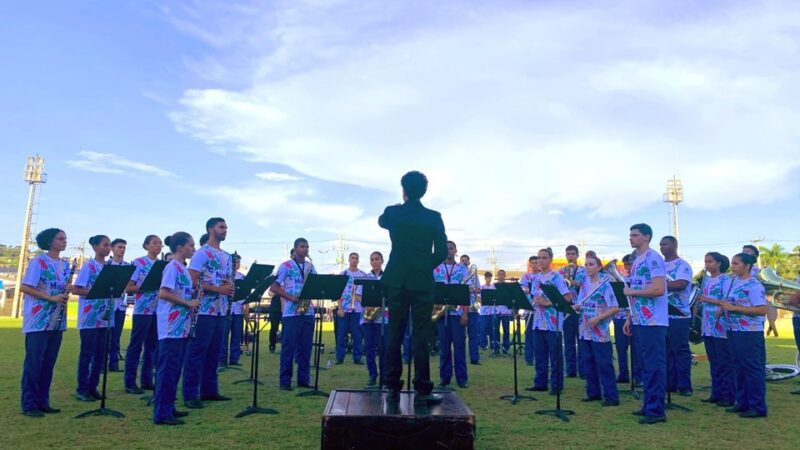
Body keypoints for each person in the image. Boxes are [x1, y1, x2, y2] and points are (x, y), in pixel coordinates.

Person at [380, 170, 448, 404]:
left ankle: (391, 387)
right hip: (421, 280)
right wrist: (423, 266)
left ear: (404, 190)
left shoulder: (393, 213)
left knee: (394, 332)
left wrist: (403, 202)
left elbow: (381, 221)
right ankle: (422, 389)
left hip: (397, 279)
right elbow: (440, 251)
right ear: (424, 191)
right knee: (421, 334)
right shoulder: (433, 217)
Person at [19, 228, 74, 417]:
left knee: (48, 363)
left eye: (65, 238)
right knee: (34, 363)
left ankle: (43, 400)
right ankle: (29, 404)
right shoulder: (39, 262)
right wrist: (50, 298)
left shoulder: (65, 265)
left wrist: (68, 289)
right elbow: (25, 287)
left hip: (57, 320)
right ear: (50, 242)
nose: (64, 242)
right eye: (60, 239)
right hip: (38, 320)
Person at [183, 218, 234, 408]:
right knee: (197, 352)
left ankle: (209, 390)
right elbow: (192, 280)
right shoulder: (201, 253)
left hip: (221, 311)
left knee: (214, 353)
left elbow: (228, 279)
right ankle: (190, 394)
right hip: (204, 310)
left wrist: (229, 287)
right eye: (222, 227)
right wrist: (215, 289)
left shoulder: (227, 256)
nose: (225, 230)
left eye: (226, 227)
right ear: (211, 229)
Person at [622, 223, 668, 425]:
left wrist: (633, 292)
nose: (630, 238)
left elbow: (658, 289)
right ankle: (648, 404)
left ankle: (657, 410)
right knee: (645, 365)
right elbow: (637, 293)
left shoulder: (654, 259)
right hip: (640, 319)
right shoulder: (638, 260)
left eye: (635, 235)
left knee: (654, 365)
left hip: (653, 321)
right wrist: (630, 318)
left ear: (646, 237)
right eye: (630, 235)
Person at [153, 232, 198, 425]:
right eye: (190, 245)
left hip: (182, 325)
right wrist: (187, 303)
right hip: (171, 326)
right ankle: (162, 413)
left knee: (175, 369)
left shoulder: (183, 269)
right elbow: (163, 293)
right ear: (180, 247)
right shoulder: (172, 267)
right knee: (168, 370)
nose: (193, 249)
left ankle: (169, 407)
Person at [720, 253, 768, 418]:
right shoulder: (733, 282)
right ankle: (742, 402)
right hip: (733, 330)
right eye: (732, 263)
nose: (732, 266)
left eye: (736, 263)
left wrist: (734, 309)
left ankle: (757, 406)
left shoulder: (754, 285)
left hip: (749, 332)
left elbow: (761, 309)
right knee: (737, 367)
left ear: (747, 266)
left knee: (752, 369)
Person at [270, 238, 317, 390]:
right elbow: (274, 287)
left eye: (307, 247)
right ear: (295, 249)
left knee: (306, 348)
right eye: (302, 247)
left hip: (308, 312)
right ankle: (285, 382)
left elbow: (317, 283)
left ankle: (303, 380)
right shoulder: (286, 266)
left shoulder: (310, 266)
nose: (306, 249)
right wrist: (290, 298)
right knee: (288, 348)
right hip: (291, 313)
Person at [72, 235, 113, 402]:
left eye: (109, 245)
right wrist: (98, 291)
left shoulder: (110, 267)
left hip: (105, 316)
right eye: (105, 245)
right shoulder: (89, 266)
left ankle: (93, 386)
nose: (108, 248)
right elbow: (77, 289)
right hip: (90, 316)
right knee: (87, 353)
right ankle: (82, 388)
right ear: (95, 247)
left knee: (100, 354)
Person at [574, 254, 619, 406]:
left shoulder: (605, 285)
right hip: (585, 327)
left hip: (599, 329)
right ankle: (593, 393)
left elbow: (614, 308)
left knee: (604, 363)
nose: (587, 267)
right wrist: (577, 307)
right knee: (588, 362)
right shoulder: (585, 283)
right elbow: (580, 303)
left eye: (591, 264)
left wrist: (598, 318)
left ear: (599, 267)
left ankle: (611, 396)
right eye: (586, 264)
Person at [528, 248, 572, 394]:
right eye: (539, 258)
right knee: (540, 355)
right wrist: (535, 300)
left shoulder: (556, 277)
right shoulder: (535, 278)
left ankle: (556, 385)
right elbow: (535, 296)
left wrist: (549, 302)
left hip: (553, 324)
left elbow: (568, 298)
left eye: (544, 258)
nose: (541, 261)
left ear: (550, 259)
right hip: (537, 322)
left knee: (555, 356)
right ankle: (540, 383)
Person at [123, 235, 163, 394]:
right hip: (143, 310)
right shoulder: (139, 262)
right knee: (136, 345)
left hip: (158, 310)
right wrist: (146, 286)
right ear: (146, 245)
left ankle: (147, 380)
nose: (158, 246)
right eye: (154, 243)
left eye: (160, 244)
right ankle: (130, 381)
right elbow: (128, 287)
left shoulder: (163, 265)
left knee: (152, 347)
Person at [695, 252, 734, 407]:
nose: (707, 264)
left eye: (710, 261)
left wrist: (705, 299)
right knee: (714, 361)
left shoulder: (725, 279)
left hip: (720, 324)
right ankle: (716, 393)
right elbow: (702, 297)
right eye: (705, 261)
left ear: (719, 263)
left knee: (724, 361)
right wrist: (698, 306)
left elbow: (726, 300)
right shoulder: (706, 279)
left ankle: (728, 395)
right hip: (707, 325)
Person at [433, 241, 470, 389]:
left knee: (460, 347)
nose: (448, 251)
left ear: (456, 251)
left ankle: (462, 378)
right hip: (441, 314)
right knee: (444, 347)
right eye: (446, 248)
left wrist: (465, 313)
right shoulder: (435, 269)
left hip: (458, 313)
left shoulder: (462, 269)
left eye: (451, 248)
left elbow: (466, 294)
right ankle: (445, 377)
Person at [660, 236, 694, 396]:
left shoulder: (682, 265)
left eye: (665, 244)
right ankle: (670, 384)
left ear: (674, 245)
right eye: (660, 245)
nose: (662, 247)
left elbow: (681, 284)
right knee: (666, 351)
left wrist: (658, 286)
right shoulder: (659, 265)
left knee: (680, 350)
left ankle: (685, 385)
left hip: (679, 316)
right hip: (661, 315)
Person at [361, 251, 389, 387]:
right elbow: (359, 295)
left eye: (377, 259)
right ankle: (372, 375)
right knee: (369, 348)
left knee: (383, 348)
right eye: (372, 259)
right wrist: (368, 306)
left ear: (382, 261)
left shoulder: (388, 278)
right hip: (368, 318)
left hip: (383, 319)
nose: (374, 261)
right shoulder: (366, 277)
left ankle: (384, 376)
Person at [560, 245, 587, 378]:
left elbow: (587, 286)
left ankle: (583, 370)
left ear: (577, 255)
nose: (570, 256)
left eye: (572, 254)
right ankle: (570, 370)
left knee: (581, 341)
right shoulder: (560, 271)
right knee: (569, 341)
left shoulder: (584, 270)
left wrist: (576, 283)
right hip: (567, 309)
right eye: (568, 254)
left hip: (580, 308)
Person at [336, 253, 368, 365]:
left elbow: (365, 294)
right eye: (352, 258)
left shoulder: (363, 275)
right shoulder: (343, 274)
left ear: (358, 260)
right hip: (344, 309)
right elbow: (338, 293)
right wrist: (339, 308)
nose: (354, 260)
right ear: (349, 260)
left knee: (357, 335)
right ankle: (339, 357)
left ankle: (357, 357)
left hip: (357, 310)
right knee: (341, 335)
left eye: (356, 258)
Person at [613, 254, 640, 384]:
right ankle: (623, 374)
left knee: (636, 348)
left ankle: (638, 376)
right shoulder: (621, 280)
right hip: (619, 316)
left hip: (635, 317)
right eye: (625, 265)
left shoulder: (638, 280)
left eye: (629, 264)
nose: (627, 267)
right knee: (620, 348)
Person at [742, 244, 778, 337]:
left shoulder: (761, 273)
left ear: (755, 256)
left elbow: (768, 291)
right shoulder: (736, 274)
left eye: (747, 251)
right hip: (739, 317)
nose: (744, 253)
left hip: (755, 315)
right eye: (743, 252)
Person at [107, 238, 129, 372]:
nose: (122, 250)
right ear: (112, 248)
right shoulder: (107, 265)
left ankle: (113, 363)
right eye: (119, 247)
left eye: (124, 247)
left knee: (116, 336)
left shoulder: (127, 266)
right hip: (108, 305)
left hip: (121, 305)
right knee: (105, 337)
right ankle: (102, 363)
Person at [220, 254, 244, 367]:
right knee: (224, 336)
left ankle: (235, 359)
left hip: (238, 310)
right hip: (226, 310)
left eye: (238, 263)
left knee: (237, 335)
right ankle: (222, 359)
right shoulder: (224, 275)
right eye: (234, 263)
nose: (236, 265)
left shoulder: (242, 277)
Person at [460, 254, 482, 365]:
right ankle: (461, 357)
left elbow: (479, 289)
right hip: (460, 307)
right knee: (460, 336)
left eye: (466, 261)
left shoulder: (473, 274)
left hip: (472, 307)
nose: (464, 262)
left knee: (473, 334)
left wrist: (475, 290)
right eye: (462, 260)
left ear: (469, 262)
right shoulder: (457, 272)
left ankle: (474, 358)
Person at [520, 256, 539, 365]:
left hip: (541, 309)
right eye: (533, 263)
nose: (535, 265)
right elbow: (523, 289)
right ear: (530, 264)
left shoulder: (542, 276)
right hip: (529, 308)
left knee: (539, 334)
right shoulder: (526, 276)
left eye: (536, 262)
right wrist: (530, 290)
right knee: (529, 334)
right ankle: (529, 358)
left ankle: (538, 357)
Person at [495, 269, 512, 354]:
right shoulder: (493, 286)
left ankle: (506, 348)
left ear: (505, 276)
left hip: (506, 311)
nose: (501, 276)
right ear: (497, 276)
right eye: (499, 274)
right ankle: (496, 348)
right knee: (496, 330)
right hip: (496, 311)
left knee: (506, 330)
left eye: (503, 275)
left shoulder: (508, 287)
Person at [478, 271, 495, 352]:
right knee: (483, 329)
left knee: (492, 329)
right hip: (483, 312)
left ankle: (493, 345)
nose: (489, 279)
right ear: (485, 278)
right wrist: (484, 300)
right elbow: (478, 298)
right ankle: (483, 345)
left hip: (492, 311)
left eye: (490, 277)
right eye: (487, 277)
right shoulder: (481, 287)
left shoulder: (493, 288)